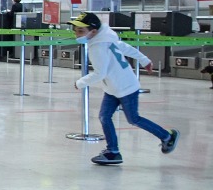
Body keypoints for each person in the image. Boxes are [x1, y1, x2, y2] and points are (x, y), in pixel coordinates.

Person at [69, 12, 178, 165]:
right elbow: (126, 48)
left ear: (93, 32)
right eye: (76, 30)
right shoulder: (107, 39)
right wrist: (144, 60)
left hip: (125, 87)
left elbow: (100, 73)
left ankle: (167, 136)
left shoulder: (97, 47)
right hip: (113, 88)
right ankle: (113, 151)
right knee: (104, 117)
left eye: (81, 31)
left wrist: (80, 82)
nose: (76, 33)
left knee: (133, 118)